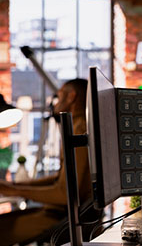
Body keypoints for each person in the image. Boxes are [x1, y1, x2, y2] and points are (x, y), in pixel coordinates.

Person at [0, 79, 91, 245]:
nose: (54, 101)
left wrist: (16, 191)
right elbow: (61, 178)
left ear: (71, 96)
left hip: (63, 218)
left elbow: (66, 194)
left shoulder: (79, 130)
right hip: (59, 213)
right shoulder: (78, 126)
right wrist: (18, 186)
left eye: (60, 95)